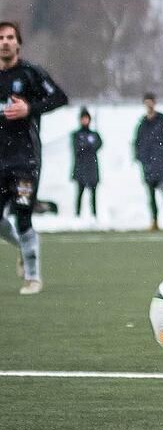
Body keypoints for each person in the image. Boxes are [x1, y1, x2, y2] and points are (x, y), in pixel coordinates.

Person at [0, 20, 68, 295]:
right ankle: (21, 248)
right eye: (1, 37)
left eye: (10, 37)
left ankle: (33, 277)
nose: (5, 42)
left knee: (23, 215)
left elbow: (60, 97)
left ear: (18, 43)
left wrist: (30, 108)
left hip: (24, 159)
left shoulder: (30, 74)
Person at [133, 93, 163, 231]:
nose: (149, 106)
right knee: (150, 195)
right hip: (148, 165)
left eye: (150, 102)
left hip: (161, 164)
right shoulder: (142, 124)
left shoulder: (162, 121)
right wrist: (140, 157)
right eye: (146, 103)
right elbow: (137, 142)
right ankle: (154, 220)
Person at [71, 107, 103, 219]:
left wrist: (88, 144)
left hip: (92, 168)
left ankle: (94, 215)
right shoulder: (76, 134)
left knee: (93, 195)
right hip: (81, 168)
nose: (85, 121)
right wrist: (87, 144)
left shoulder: (94, 134)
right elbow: (78, 148)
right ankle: (77, 215)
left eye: (86, 118)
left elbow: (98, 145)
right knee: (79, 193)